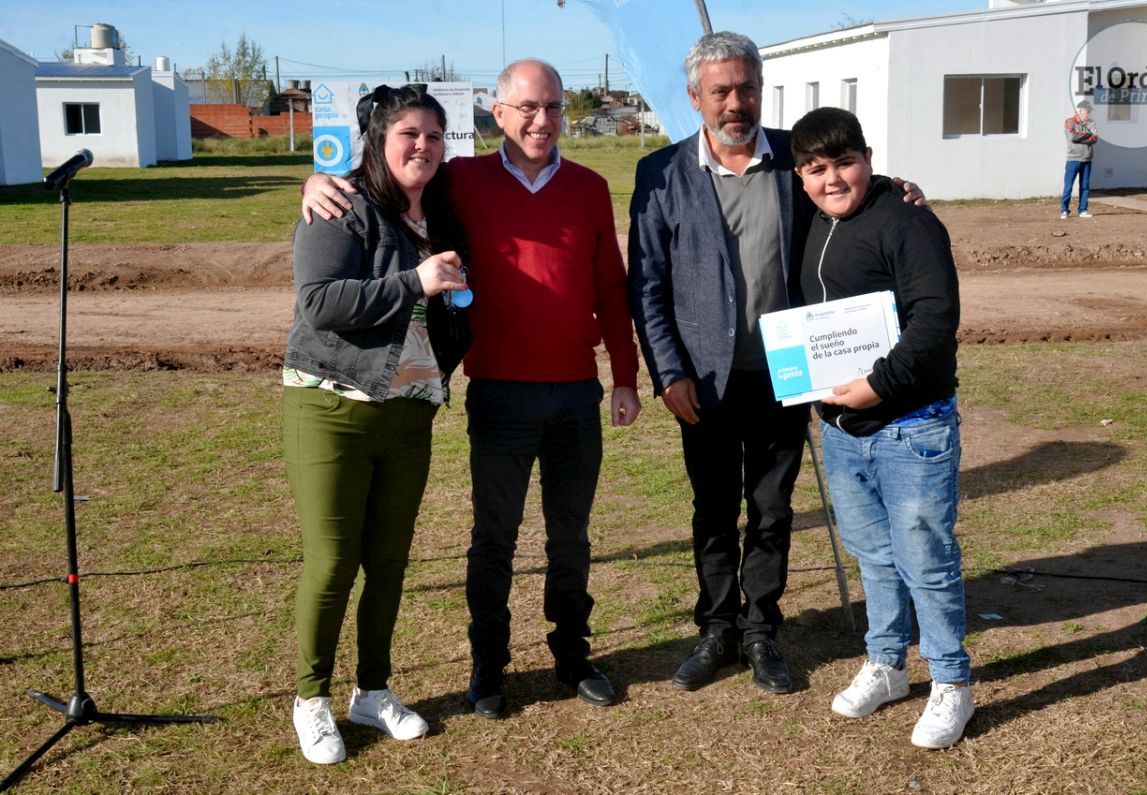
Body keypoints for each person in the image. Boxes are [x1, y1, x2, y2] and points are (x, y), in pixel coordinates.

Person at [302, 59, 641, 720]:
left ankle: (572, 653)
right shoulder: (461, 179)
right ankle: (490, 665)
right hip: (500, 396)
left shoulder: (591, 186)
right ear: (498, 113)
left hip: (575, 393)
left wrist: (624, 376)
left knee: (570, 537)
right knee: (495, 539)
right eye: (528, 109)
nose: (542, 121)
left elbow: (611, 289)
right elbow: (384, 180)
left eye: (553, 107)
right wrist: (314, 181)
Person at [628, 32, 924, 696]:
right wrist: (668, 372)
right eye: (722, 91)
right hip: (701, 380)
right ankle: (716, 628)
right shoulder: (660, 174)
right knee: (712, 509)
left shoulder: (796, 158)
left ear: (761, 88)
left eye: (747, 88)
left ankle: (761, 629)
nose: (737, 103)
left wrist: (898, 188)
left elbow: (851, 188)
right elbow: (646, 287)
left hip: (786, 374)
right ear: (695, 97)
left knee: (771, 508)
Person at [283, 83, 471, 765]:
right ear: (378, 141)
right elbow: (323, 303)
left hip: (408, 416)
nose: (422, 146)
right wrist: (414, 283)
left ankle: (373, 689)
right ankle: (311, 698)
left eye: (433, 134)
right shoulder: (341, 206)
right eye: (408, 135)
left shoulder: (445, 214)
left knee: (387, 563)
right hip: (332, 410)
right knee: (334, 561)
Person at [790, 106, 973, 749]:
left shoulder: (907, 221)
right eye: (816, 169)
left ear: (867, 157)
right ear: (801, 176)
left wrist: (878, 386)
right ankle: (888, 664)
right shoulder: (815, 220)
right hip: (843, 430)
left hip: (910, 424)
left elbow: (935, 319)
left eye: (846, 163)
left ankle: (951, 681)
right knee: (873, 556)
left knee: (926, 557)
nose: (833, 179)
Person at [1061, 99, 1098, 219]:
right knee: (1068, 186)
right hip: (1073, 159)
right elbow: (1072, 137)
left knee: (1085, 186)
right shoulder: (1069, 122)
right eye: (1087, 111)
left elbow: (1095, 138)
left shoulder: (1091, 123)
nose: (1088, 114)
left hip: (1087, 159)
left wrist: (1081, 136)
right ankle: (1064, 210)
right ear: (1080, 111)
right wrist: (1086, 134)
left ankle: (1083, 210)